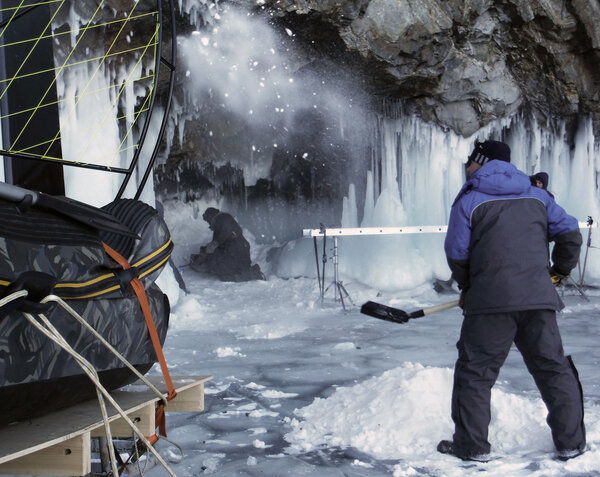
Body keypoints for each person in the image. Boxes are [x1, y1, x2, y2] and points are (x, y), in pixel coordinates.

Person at [440, 139, 586, 462]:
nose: (465, 167)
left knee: (475, 372)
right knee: (553, 369)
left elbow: (456, 252)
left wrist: (468, 287)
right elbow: (570, 233)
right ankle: (571, 442)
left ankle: (472, 446)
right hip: (537, 299)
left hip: (490, 303)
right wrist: (558, 272)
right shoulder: (538, 197)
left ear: (480, 161)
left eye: (469, 161)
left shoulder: (469, 199)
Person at [191, 207, 264, 282]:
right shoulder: (223, 218)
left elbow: (215, 244)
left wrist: (202, 258)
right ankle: (247, 271)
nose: (209, 224)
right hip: (239, 253)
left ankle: (254, 274)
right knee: (217, 263)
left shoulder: (222, 221)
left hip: (237, 255)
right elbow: (218, 243)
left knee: (224, 274)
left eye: (208, 221)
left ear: (211, 218)